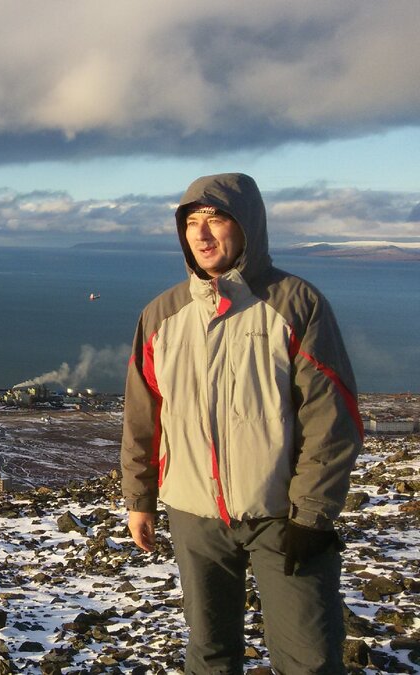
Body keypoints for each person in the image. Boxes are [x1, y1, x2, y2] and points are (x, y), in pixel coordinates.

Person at [121, 173, 362, 673]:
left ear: (248, 225)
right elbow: (144, 416)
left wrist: (313, 514)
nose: (202, 235)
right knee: (209, 655)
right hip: (193, 514)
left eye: (216, 218)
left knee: (308, 659)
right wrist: (138, 501)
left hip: (283, 515)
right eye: (191, 223)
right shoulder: (162, 314)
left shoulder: (296, 305)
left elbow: (331, 417)